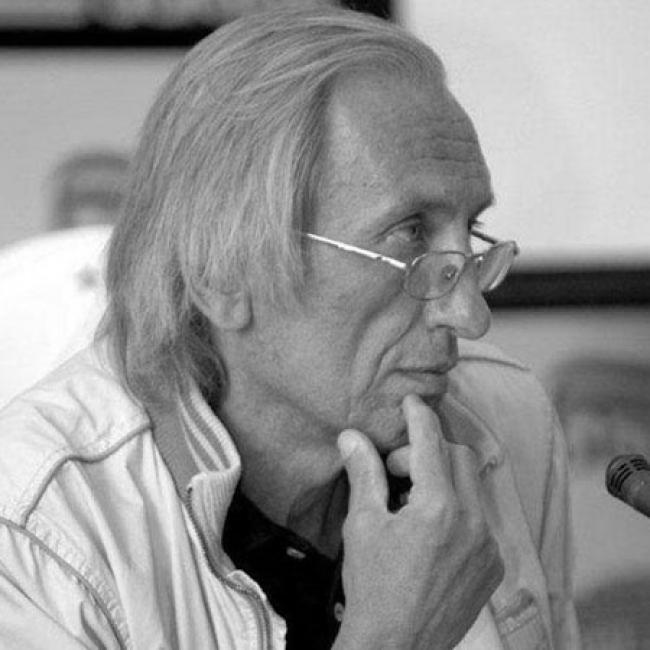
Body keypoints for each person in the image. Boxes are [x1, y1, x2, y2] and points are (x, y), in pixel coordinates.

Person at [0, 7, 580, 649]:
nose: (470, 315)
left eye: (471, 235)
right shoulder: (33, 537)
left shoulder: (509, 419)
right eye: (410, 236)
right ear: (222, 271)